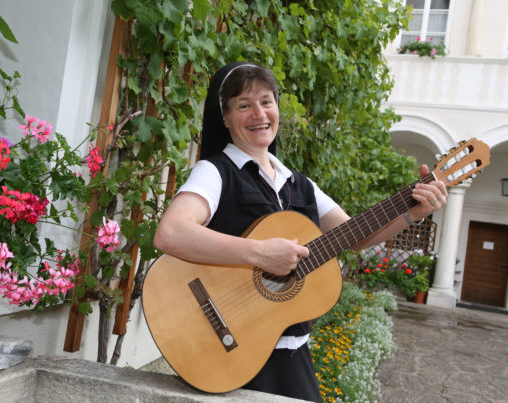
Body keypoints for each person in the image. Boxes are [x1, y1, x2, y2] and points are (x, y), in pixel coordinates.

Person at [153, 62, 447, 402]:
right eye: (244, 105)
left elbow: (357, 235)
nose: (259, 113)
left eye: (266, 101)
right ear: (226, 118)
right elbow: (171, 233)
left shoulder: (300, 185)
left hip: (290, 352)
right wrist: (259, 254)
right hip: (229, 348)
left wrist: (411, 213)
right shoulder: (215, 172)